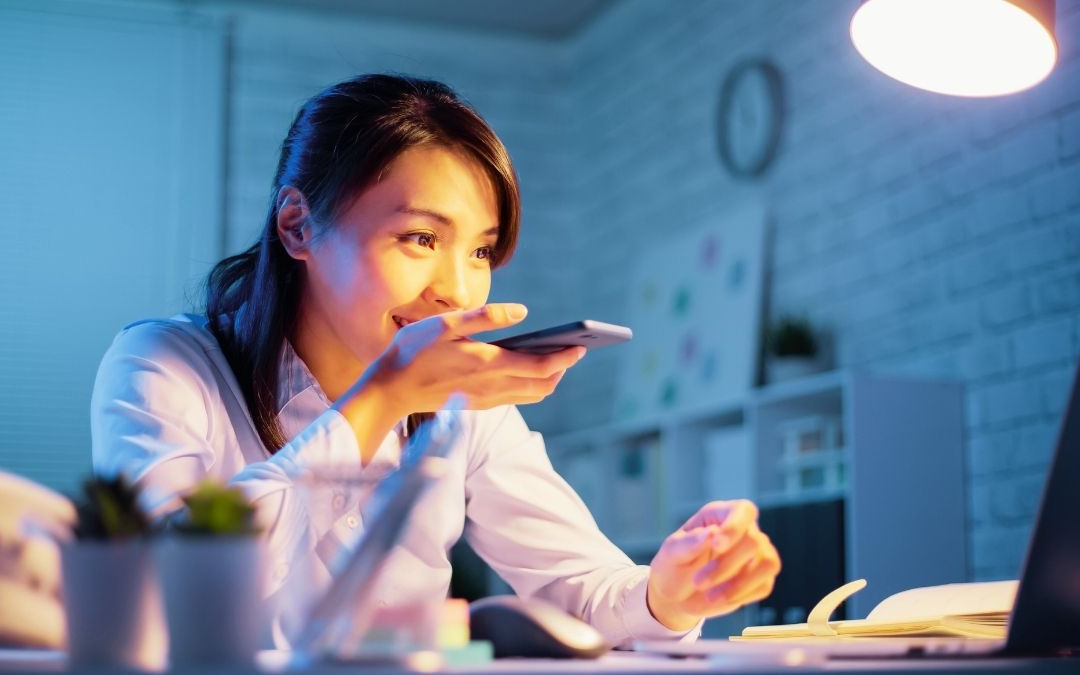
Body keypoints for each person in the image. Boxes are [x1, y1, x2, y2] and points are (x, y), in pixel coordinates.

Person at [91, 73, 780, 648]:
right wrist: (381, 398)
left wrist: (670, 588)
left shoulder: (465, 405)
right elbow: (159, 594)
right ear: (298, 225)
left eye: (480, 251)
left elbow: (585, 589)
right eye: (421, 236)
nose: (456, 288)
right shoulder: (164, 363)